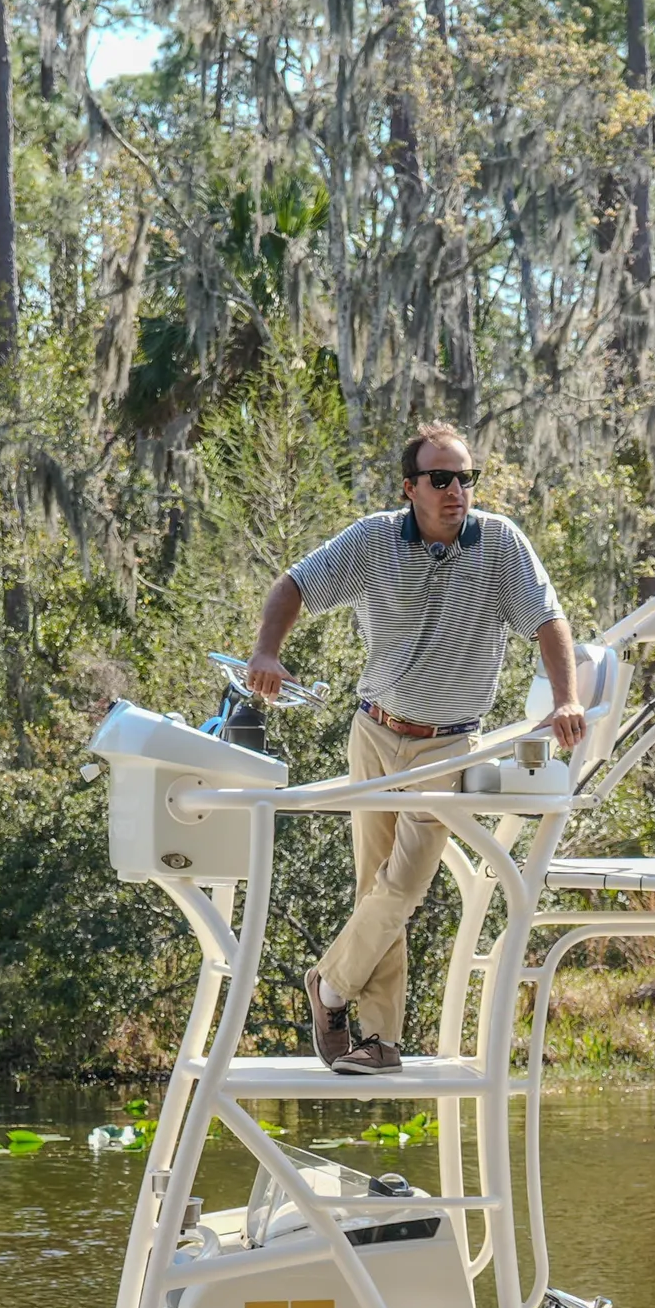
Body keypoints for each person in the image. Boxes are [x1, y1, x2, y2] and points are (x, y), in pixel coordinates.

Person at [246, 422, 590, 1074]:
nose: (456, 490)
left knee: (400, 889)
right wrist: (267, 651)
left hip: (447, 746)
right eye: (441, 478)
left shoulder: (500, 545)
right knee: (374, 890)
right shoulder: (374, 539)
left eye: (465, 477)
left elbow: (549, 621)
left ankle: (329, 987)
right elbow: (292, 586)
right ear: (411, 488)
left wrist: (567, 698)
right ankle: (377, 1042)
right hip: (374, 731)